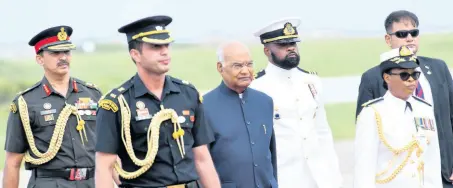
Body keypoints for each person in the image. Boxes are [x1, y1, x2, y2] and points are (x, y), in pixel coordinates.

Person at [94, 15, 221, 188]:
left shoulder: (188, 94)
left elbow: (202, 158)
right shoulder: (116, 104)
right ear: (135, 54)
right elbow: (104, 166)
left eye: (166, 45)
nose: (165, 52)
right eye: (155, 47)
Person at [355, 10, 453, 187]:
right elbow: (366, 139)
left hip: (443, 172)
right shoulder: (372, 77)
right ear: (388, 39)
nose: (409, 38)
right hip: (397, 176)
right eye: (402, 34)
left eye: (414, 33)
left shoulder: (438, 68)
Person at [3, 26, 102, 188]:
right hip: (49, 183)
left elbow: (107, 151)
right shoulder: (26, 102)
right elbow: (13, 162)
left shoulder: (93, 94)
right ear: (40, 59)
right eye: (55, 53)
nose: (63, 57)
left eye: (67, 52)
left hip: (90, 182)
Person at [249, 17, 343, 188]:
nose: (291, 48)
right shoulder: (256, 87)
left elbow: (323, 132)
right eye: (283, 45)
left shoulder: (312, 81)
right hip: (283, 178)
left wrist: (333, 176)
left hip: (318, 177)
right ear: (267, 51)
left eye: (293, 43)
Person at [203, 41, 278, 188]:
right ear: (220, 67)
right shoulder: (204, 107)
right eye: (237, 66)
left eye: (249, 64)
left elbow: (271, 155)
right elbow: (201, 161)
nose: (245, 71)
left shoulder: (265, 102)